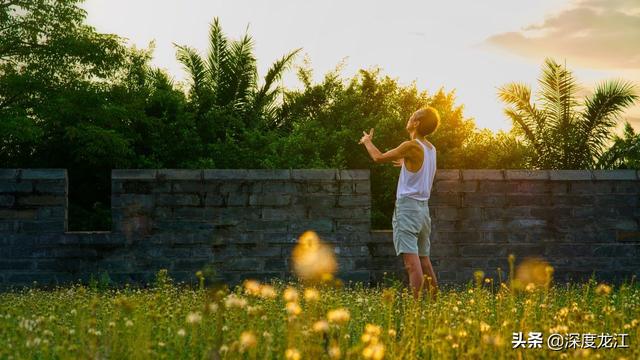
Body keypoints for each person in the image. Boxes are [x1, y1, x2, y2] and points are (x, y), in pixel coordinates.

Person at [359, 107, 440, 299]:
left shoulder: (411, 146)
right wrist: (407, 163)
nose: (410, 117)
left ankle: (416, 310)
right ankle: (435, 304)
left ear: (417, 123)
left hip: (408, 209)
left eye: (412, 116)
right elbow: (422, 169)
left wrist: (367, 142)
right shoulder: (431, 149)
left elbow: (378, 157)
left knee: (412, 265)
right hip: (423, 211)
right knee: (424, 260)